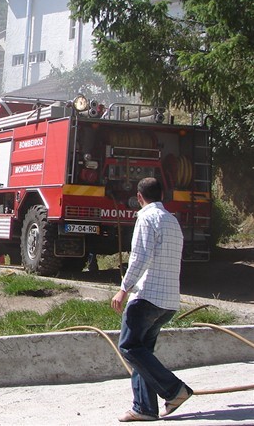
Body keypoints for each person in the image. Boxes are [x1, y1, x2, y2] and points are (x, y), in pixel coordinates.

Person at [111, 178, 193, 422]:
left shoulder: (146, 218)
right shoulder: (172, 221)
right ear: (162, 195)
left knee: (128, 346)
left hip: (147, 297)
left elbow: (140, 256)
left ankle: (174, 390)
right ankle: (144, 408)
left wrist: (123, 289)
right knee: (142, 351)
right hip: (168, 300)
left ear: (139, 197)